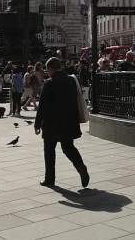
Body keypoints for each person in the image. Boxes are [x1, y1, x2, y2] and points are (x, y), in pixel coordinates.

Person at [34, 57, 90, 188]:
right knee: (68, 148)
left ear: (50, 69)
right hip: (69, 121)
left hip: (52, 123)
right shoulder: (71, 80)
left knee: (49, 150)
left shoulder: (49, 83)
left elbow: (42, 106)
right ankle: (80, 166)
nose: (47, 72)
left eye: (47, 70)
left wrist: (37, 124)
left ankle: (49, 179)